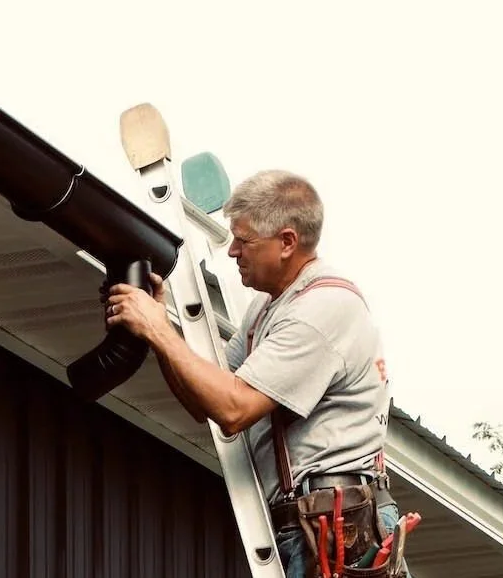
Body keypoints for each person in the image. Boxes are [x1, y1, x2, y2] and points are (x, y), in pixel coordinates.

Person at [103, 170, 411, 577]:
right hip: (308, 520)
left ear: (287, 242)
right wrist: (161, 332)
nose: (232, 251)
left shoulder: (321, 309)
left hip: (336, 525)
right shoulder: (265, 310)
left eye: (244, 240)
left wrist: (158, 329)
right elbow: (206, 401)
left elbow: (235, 410)